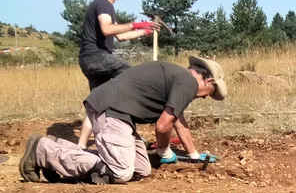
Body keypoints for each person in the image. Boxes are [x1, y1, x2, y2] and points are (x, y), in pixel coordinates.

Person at [20, 57, 226, 185]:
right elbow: (164, 125)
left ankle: (58, 147)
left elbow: (178, 121)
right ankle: (44, 150)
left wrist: (194, 154)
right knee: (122, 171)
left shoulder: (178, 77)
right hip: (112, 111)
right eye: (210, 92)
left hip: (119, 114)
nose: (206, 97)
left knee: (141, 169)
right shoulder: (188, 83)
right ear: (209, 81)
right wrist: (164, 152)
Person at [76, 0, 160, 149]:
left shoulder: (100, 5)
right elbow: (107, 29)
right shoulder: (104, 4)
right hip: (97, 57)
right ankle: (133, 135)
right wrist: (137, 23)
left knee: (97, 103)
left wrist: (146, 30)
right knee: (135, 79)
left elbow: (120, 36)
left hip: (88, 60)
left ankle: (81, 146)